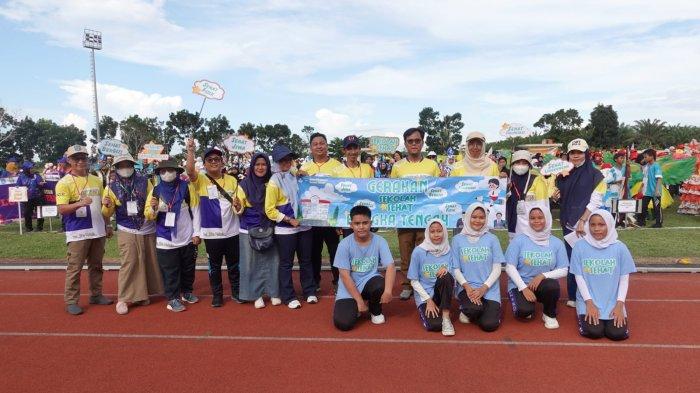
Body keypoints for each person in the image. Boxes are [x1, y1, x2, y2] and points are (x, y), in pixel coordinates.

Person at [55, 145, 113, 315]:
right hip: (78, 232)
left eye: (83, 158)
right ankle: (71, 301)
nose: (80, 161)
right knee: (75, 267)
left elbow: (104, 204)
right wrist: (79, 203)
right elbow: (62, 209)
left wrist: (108, 224)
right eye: (76, 158)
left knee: (97, 265)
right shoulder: (63, 183)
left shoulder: (96, 179)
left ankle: (96, 294)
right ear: (69, 161)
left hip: (98, 229)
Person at [102, 153, 163, 315]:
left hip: (147, 227)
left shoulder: (145, 182)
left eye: (128, 165)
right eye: (121, 166)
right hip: (127, 228)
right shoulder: (111, 187)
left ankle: (141, 295)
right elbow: (107, 213)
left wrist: (153, 207)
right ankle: (123, 298)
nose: (125, 168)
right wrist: (107, 205)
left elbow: (152, 201)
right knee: (130, 262)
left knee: (147, 260)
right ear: (116, 168)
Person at [185, 140, 242, 307]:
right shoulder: (201, 179)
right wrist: (190, 151)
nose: (214, 162)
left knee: (234, 265)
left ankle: (236, 292)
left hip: (232, 231)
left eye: (217, 159)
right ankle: (217, 295)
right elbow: (189, 171)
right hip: (212, 233)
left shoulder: (232, 180)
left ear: (223, 162)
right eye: (210, 160)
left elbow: (238, 202)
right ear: (204, 164)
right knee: (214, 267)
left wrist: (238, 205)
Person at [553, 138, 606, 308]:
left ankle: (592, 294)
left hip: (587, 224)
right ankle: (574, 296)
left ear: (586, 153)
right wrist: (555, 195)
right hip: (568, 223)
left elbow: (595, 200)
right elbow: (559, 195)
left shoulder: (596, 175)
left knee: (589, 259)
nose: (576, 156)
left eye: (579, 152)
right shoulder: (563, 173)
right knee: (572, 259)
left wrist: (583, 220)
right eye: (573, 153)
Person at [144, 159, 201, 313]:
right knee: (170, 270)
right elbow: (148, 215)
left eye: (170, 170)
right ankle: (172, 298)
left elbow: (195, 210)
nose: (167, 174)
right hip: (165, 238)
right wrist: (154, 209)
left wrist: (196, 233)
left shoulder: (187, 187)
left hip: (187, 235)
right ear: (159, 174)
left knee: (188, 268)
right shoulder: (155, 191)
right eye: (163, 171)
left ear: (177, 172)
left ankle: (187, 292)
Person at [390, 127, 440, 300]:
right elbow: (392, 192)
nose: (414, 144)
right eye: (410, 141)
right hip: (404, 217)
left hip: (426, 217)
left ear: (422, 143)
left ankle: (424, 283)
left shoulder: (432, 165)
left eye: (417, 141)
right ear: (405, 144)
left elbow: (439, 190)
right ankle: (407, 285)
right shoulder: (397, 167)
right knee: (406, 252)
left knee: (425, 252)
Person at [571, 209, 636, 341]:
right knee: (594, 332)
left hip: (612, 301)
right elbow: (579, 277)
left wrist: (619, 305)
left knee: (617, 334)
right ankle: (582, 310)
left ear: (610, 225)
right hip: (588, 300)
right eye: (593, 225)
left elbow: (624, 279)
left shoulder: (620, 248)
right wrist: (589, 303)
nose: (596, 229)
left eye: (601, 225)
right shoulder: (579, 247)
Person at [266, 144, 316, 309]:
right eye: (282, 160)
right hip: (285, 230)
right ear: (277, 162)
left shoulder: (297, 175)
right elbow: (269, 210)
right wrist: (288, 219)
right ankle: (289, 296)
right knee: (286, 263)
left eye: (288, 158)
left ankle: (309, 291)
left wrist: (306, 177)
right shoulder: (274, 181)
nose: (286, 162)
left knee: (306, 261)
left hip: (304, 226)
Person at [333, 205, 396, 331]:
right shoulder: (344, 244)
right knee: (344, 324)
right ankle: (357, 305)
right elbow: (344, 276)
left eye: (365, 223)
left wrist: (388, 291)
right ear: (351, 225)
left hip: (369, 281)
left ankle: (375, 310)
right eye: (357, 223)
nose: (361, 227)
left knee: (380, 284)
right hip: (349, 288)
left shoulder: (380, 241)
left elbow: (390, 266)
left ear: (370, 223)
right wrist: (359, 301)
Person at [504, 206, 569, 329]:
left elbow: (564, 269)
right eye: (532, 218)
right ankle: (528, 305)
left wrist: (542, 275)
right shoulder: (519, 240)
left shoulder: (556, 243)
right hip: (520, 284)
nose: (536, 221)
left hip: (542, 284)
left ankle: (549, 314)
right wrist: (523, 288)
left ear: (547, 218)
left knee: (552, 285)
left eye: (540, 217)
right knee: (523, 312)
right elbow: (509, 267)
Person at [234, 153, 281, 309]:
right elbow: (238, 208)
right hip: (248, 228)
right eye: (257, 164)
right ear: (252, 166)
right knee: (250, 264)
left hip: (269, 226)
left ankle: (273, 292)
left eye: (264, 164)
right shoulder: (243, 184)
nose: (260, 167)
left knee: (272, 261)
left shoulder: (274, 181)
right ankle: (256, 295)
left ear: (268, 166)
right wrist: (238, 207)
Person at [298, 133, 343, 293]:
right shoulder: (304, 168)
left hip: (331, 218)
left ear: (327, 145)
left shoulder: (338, 166)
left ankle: (338, 281)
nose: (319, 146)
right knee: (313, 252)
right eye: (315, 144)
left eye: (322, 143)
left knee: (335, 251)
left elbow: (342, 193)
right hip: (313, 218)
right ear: (310, 147)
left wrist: (340, 220)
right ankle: (315, 281)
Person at [451, 202, 503, 332]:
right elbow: (455, 268)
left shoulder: (492, 239)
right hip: (467, 288)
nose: (477, 220)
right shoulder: (457, 239)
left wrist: (484, 288)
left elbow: (497, 268)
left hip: (489, 289)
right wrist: (467, 287)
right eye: (474, 217)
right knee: (474, 309)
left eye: (481, 217)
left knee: (489, 325)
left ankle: (485, 311)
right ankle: (468, 310)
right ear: (468, 217)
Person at [407, 219, 456, 336]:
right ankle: (431, 311)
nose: (436, 234)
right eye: (432, 231)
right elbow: (413, 281)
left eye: (439, 231)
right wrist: (428, 300)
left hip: (440, 293)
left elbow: (455, 275)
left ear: (444, 231)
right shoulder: (418, 252)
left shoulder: (449, 250)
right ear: (427, 233)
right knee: (435, 326)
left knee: (446, 276)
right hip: (425, 296)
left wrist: (447, 270)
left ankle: (445, 317)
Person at [506, 150, 549, 240]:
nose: (521, 165)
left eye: (524, 163)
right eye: (518, 162)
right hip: (512, 223)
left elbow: (544, 205)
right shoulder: (507, 180)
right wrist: (504, 187)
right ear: (512, 164)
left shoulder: (537, 179)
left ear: (529, 165)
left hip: (532, 224)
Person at [636, 149, 663, 228]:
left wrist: (657, 190)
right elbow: (644, 178)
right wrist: (641, 188)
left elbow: (659, 178)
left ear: (651, 156)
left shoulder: (656, 166)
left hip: (655, 192)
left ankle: (658, 223)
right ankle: (641, 222)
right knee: (643, 207)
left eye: (645, 157)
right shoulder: (646, 166)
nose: (644, 159)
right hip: (646, 192)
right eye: (644, 157)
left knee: (657, 208)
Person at [16, 161, 45, 232]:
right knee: (27, 213)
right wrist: (20, 189)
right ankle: (28, 228)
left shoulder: (37, 175)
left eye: (32, 168)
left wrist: (41, 184)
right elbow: (18, 186)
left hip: (38, 196)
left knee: (39, 212)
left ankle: (39, 227)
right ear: (26, 169)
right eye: (30, 168)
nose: (32, 169)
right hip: (26, 198)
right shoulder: (21, 176)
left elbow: (41, 184)